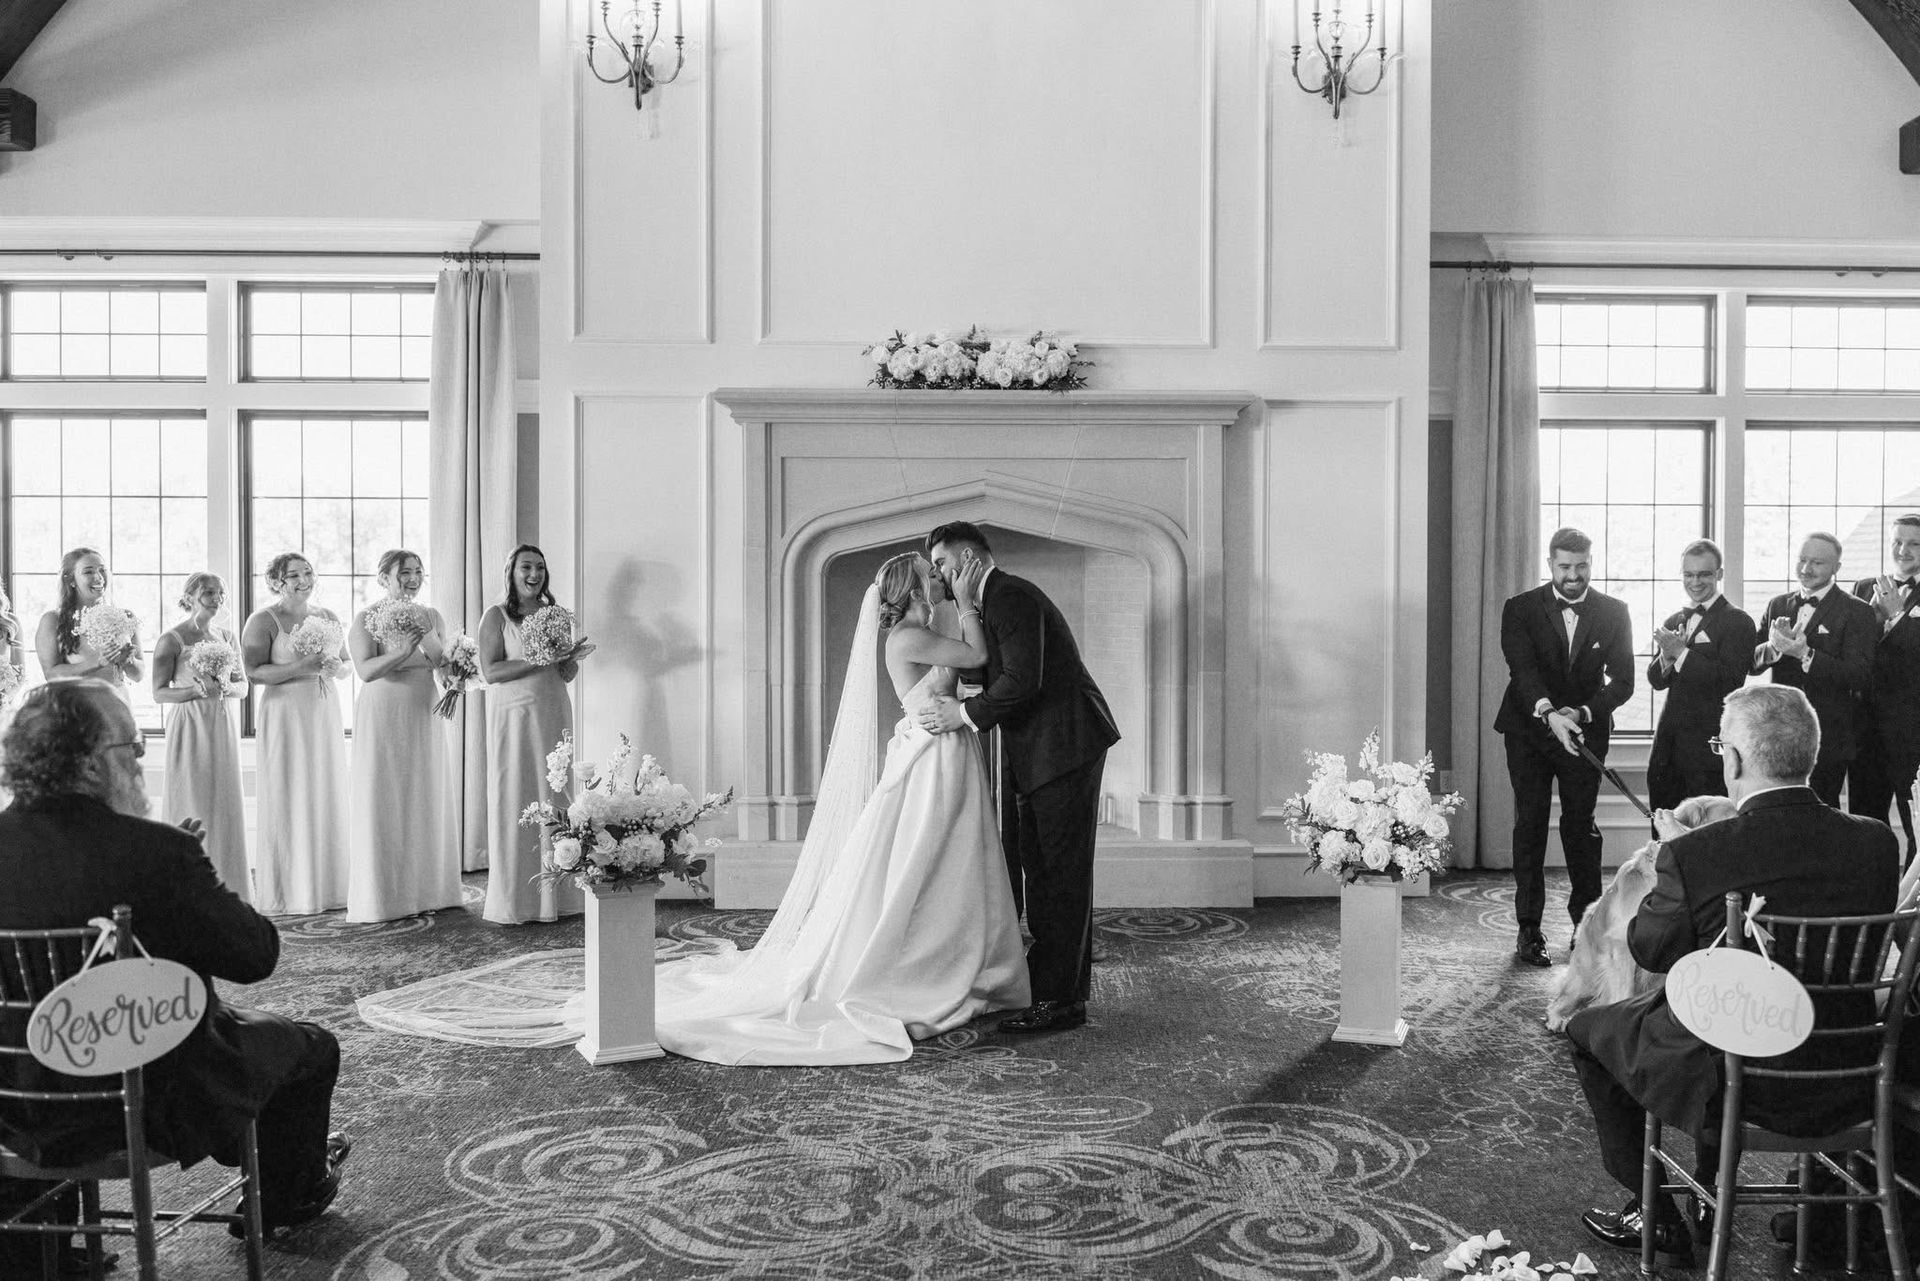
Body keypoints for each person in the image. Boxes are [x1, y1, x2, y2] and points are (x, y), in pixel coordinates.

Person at [0, 681, 351, 1263]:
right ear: (89, 764)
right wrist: (186, 875)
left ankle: (39, 1250)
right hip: (146, 1097)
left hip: (12, 1102)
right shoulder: (156, 851)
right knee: (313, 1048)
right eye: (133, 749)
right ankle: (285, 1196)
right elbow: (254, 955)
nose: (140, 763)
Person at [642, 551, 1030, 1063]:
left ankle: (967, 957)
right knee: (928, 852)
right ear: (915, 590)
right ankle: (926, 964)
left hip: (946, 747)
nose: (938, 576)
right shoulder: (907, 638)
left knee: (951, 855)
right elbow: (975, 654)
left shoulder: (921, 632)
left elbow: (968, 669)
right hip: (932, 755)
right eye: (929, 573)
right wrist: (966, 604)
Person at [1566, 684, 1899, 1269]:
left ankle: (1656, 1213)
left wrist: (1673, 864)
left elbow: (1649, 949)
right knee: (1720, 1015)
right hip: (1849, 1073)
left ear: (1736, 760)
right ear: (1810, 754)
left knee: (1589, 1030)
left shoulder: (1702, 852)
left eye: (1722, 747)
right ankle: (1722, 1192)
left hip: (1732, 1081)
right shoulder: (1876, 842)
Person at [917, 522, 1120, 1033]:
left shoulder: (1010, 596)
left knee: (1059, 873)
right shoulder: (989, 602)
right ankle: (1053, 985)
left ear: (968, 559)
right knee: (1042, 866)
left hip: (1065, 746)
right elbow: (986, 672)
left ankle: (1059, 1002)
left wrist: (962, 715)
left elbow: (1021, 681)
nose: (937, 576)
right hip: (1043, 749)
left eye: (941, 564)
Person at [1493, 527, 1635, 968]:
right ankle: (1528, 929)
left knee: (1580, 827)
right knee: (1530, 823)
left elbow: (1624, 681)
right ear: (1550, 565)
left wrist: (1584, 713)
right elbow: (1522, 671)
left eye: (1582, 566)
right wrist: (1550, 714)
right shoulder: (1520, 608)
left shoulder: (1614, 612)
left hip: (1584, 733)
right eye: (1565, 567)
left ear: (1592, 562)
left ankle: (1585, 926)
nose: (1574, 575)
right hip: (1529, 731)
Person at [477, 544, 593, 925]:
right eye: (526, 567)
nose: (534, 574)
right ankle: (517, 898)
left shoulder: (554, 614)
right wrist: (538, 659)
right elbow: (491, 672)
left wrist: (570, 659)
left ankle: (559, 895)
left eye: (540, 567)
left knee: (556, 793)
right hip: (513, 715)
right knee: (516, 793)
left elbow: (564, 675)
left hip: (553, 708)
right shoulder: (495, 616)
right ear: (511, 572)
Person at [346, 549, 461, 923]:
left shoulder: (431, 616)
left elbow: (442, 665)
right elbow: (365, 671)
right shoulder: (366, 619)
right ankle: (385, 896)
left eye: (418, 571)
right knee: (387, 794)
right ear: (384, 578)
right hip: (383, 712)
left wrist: (458, 676)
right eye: (404, 572)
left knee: (423, 793)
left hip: (423, 709)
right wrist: (402, 651)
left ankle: (430, 890)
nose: (413, 578)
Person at [241, 553, 350, 915]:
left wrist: (336, 668)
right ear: (277, 582)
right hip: (285, 712)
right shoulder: (263, 620)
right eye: (294, 575)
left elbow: (347, 663)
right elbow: (253, 673)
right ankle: (290, 890)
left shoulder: (328, 616)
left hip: (323, 709)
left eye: (308, 573)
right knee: (289, 789)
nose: (304, 580)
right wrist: (303, 665)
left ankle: (330, 885)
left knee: (324, 788)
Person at [1751, 532, 1876, 808]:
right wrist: (1773, 647)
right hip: (1779, 732)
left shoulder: (1858, 611)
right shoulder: (1777, 604)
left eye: (1817, 563)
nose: (1806, 569)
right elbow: (1751, 663)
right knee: (1778, 812)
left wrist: (1805, 654)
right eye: (1802, 560)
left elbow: (1859, 675)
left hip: (1829, 736)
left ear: (1836, 568)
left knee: (1822, 814)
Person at [152, 572, 250, 901]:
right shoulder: (172, 639)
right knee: (191, 794)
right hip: (190, 722)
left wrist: (224, 687)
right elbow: (158, 693)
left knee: (223, 799)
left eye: (220, 592)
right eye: (209, 592)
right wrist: (194, 691)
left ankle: (230, 887)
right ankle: (185, 889)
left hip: (221, 721)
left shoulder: (227, 637)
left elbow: (243, 686)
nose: (217, 598)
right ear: (190, 596)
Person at [1644, 539, 1756, 812]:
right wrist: (1667, 657)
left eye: (1704, 574)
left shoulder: (1738, 621)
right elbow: (1656, 681)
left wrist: (1681, 653)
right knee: (1663, 822)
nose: (1695, 582)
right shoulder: (1674, 620)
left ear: (1719, 574)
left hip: (1708, 748)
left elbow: (1730, 682)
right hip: (1668, 745)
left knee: (1706, 826)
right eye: (1688, 574)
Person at [1850, 514, 1920, 857]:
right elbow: (1854, 652)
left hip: (1912, 730)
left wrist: (1895, 616)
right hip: (1866, 728)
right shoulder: (1864, 588)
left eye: (1913, 543)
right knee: (1864, 823)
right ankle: (1869, 887)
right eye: (1897, 542)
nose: (1903, 550)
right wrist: (1874, 619)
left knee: (1915, 823)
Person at [35, 547, 143, 702]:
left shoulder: (124, 616)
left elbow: (138, 675)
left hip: (117, 702)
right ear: (71, 580)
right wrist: (96, 663)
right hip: (76, 705)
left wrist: (128, 662)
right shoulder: (52, 620)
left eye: (102, 570)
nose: (99, 577)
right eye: (88, 572)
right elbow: (51, 675)